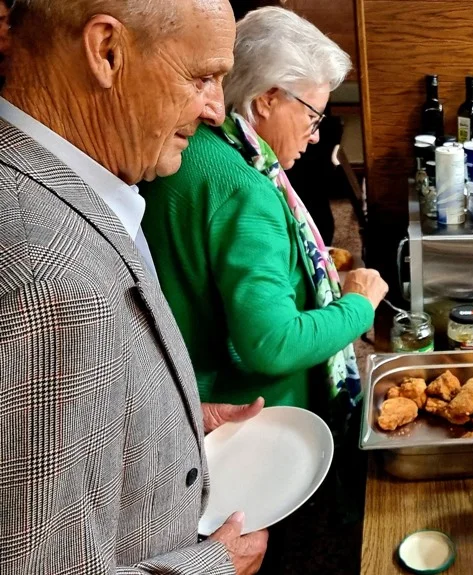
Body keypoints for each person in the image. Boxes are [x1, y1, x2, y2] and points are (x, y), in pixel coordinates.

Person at [0, 0, 267, 573]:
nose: (218, 110)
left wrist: (171, 418)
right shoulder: (46, 276)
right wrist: (210, 567)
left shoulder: (62, 186)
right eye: (202, 77)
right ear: (107, 52)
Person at [140, 6, 387, 412]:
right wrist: (359, 305)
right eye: (313, 116)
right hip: (256, 417)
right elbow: (273, 344)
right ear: (269, 99)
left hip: (180, 394)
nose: (315, 135)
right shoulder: (245, 189)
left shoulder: (192, 147)